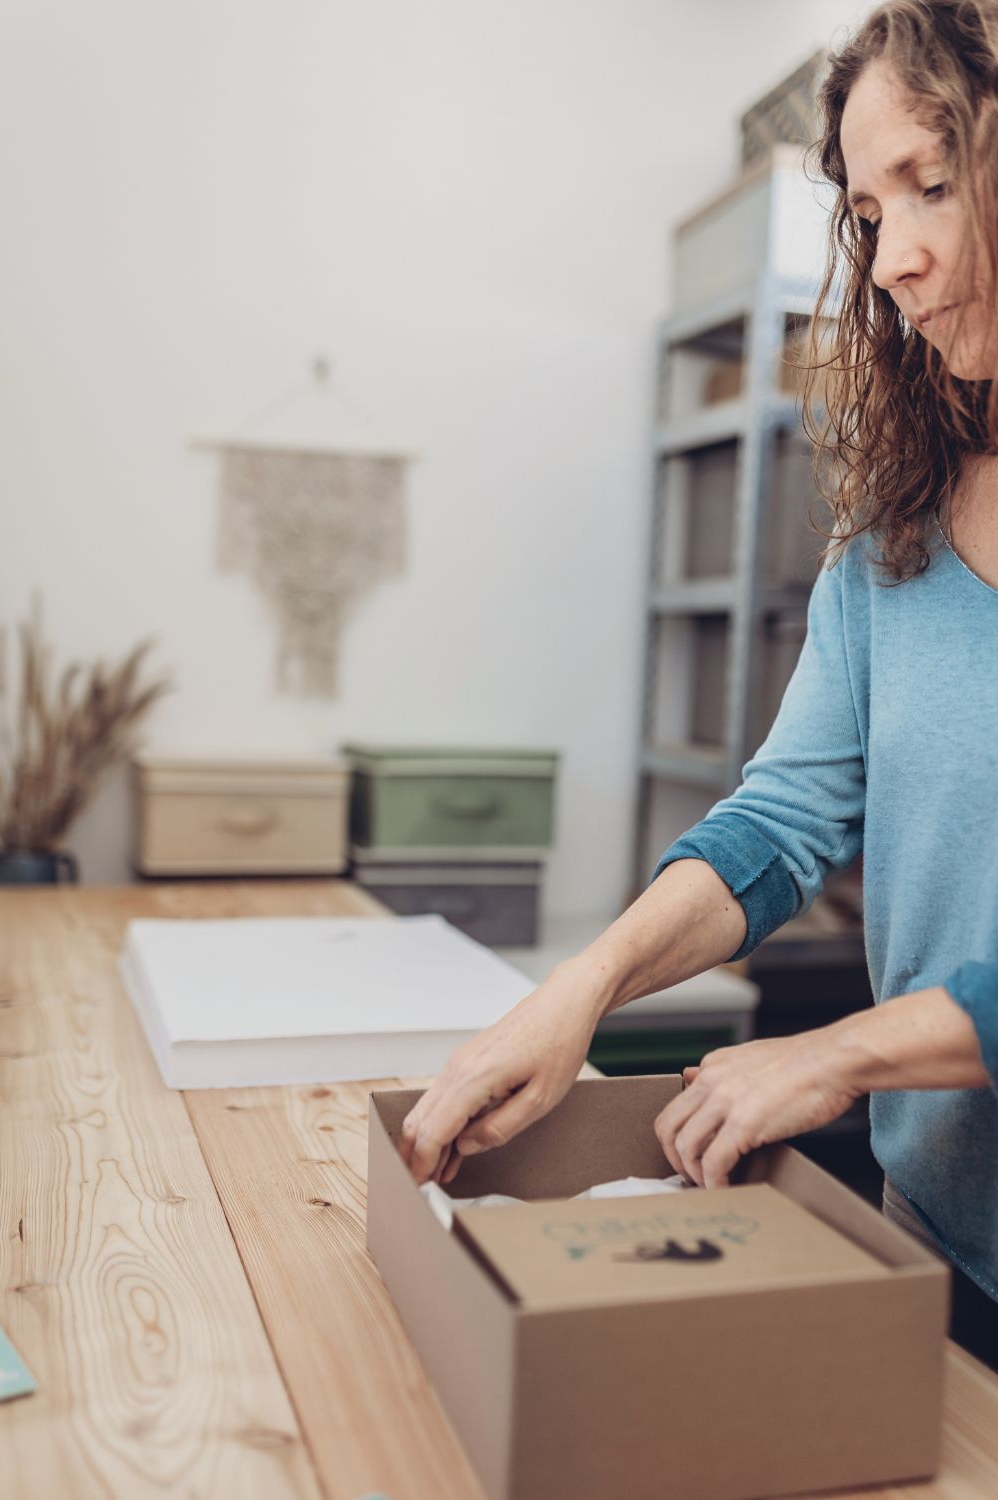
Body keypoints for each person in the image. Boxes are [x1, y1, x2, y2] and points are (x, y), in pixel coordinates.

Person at [400, 0, 998, 1360]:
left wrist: (835, 1053)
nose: (895, 257)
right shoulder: (894, 540)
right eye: (865, 209)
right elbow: (782, 824)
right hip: (939, 1247)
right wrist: (586, 987)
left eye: (937, 183)